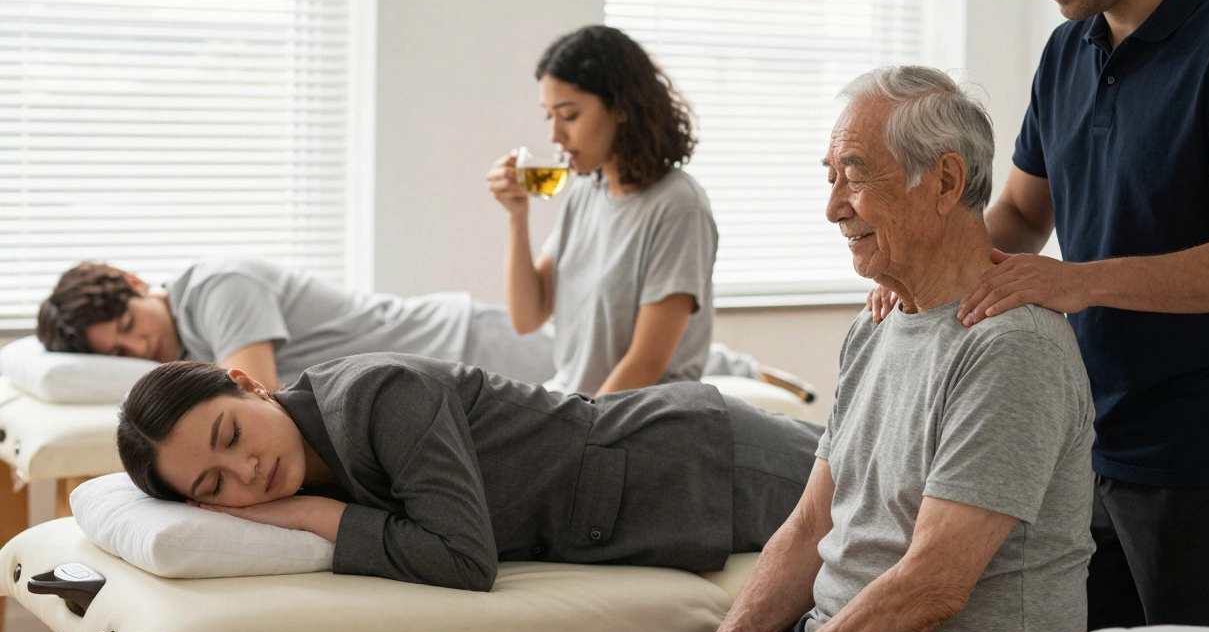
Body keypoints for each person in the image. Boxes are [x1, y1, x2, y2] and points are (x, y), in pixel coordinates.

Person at [869, 0, 1209, 632]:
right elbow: (1025, 217)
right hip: (1083, 448)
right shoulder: (1069, 47)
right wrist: (918, 267)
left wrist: (1080, 279)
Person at [657, 66, 1095, 632]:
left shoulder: (1013, 349)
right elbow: (808, 529)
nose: (834, 207)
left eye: (856, 176)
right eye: (831, 177)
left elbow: (930, 589)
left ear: (945, 181)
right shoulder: (876, 324)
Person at [115, 353, 822, 590]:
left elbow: (463, 559)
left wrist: (309, 517)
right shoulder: (315, 455)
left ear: (248, 384)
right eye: (214, 486)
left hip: (699, 461)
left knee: (907, 488)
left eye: (231, 434)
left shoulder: (379, 395)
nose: (247, 472)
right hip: (665, 503)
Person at [34, 259, 805, 397]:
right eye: (119, 354)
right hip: (440, 360)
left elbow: (256, 393)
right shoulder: (188, 339)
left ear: (138, 285)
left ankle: (757, 377)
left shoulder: (213, 289)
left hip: (458, 344)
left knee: (625, 373)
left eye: (129, 326)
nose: (140, 350)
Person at [487, 25, 718, 397]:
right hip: (576, 409)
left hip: (639, 419)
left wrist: (577, 436)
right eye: (550, 116)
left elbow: (645, 363)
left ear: (622, 108)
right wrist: (517, 216)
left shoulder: (678, 207)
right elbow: (528, 317)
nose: (555, 136)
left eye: (569, 115)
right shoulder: (585, 192)